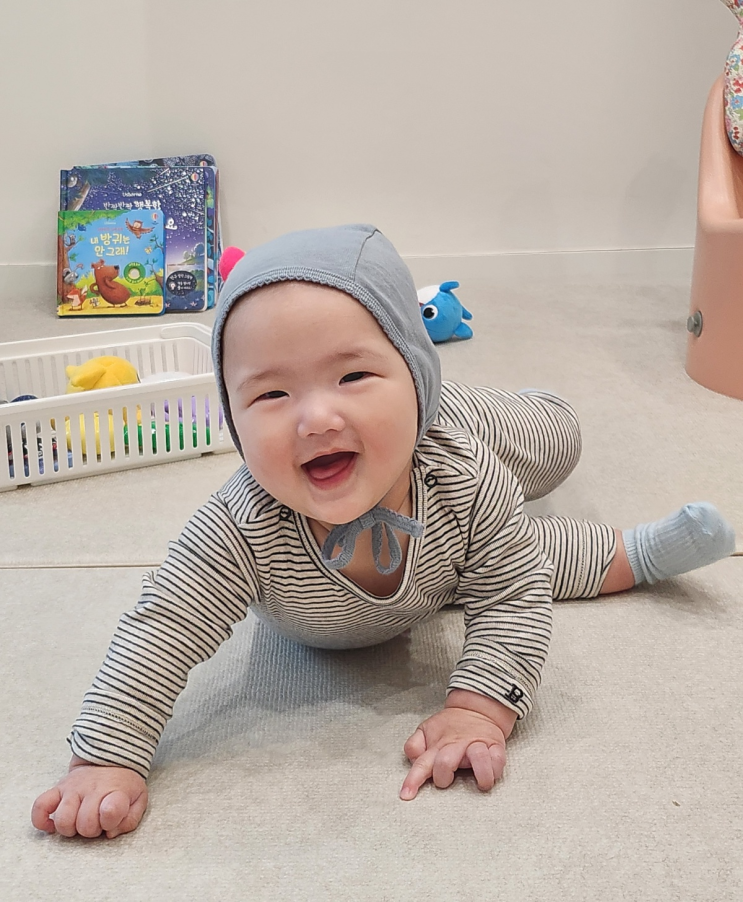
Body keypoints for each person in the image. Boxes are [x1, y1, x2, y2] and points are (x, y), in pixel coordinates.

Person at [31, 224, 736, 839]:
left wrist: (480, 707)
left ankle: (490, 410)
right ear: (233, 417)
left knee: (556, 440)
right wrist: (106, 757)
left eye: (353, 375)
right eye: (271, 393)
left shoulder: (464, 474)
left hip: (446, 433)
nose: (315, 418)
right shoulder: (239, 525)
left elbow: (508, 598)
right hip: (440, 566)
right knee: (518, 550)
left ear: (413, 372)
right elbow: (161, 626)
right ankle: (638, 551)